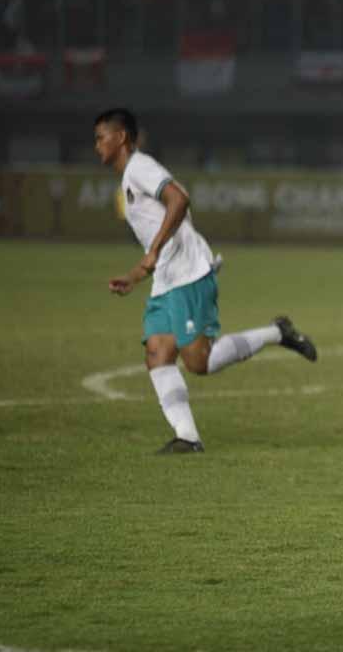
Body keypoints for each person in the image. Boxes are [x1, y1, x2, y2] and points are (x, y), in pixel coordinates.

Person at [94, 108, 318, 454]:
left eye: (100, 138)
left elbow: (179, 199)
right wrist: (136, 275)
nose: (97, 145)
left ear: (120, 137)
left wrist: (153, 252)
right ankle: (187, 437)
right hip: (166, 277)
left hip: (188, 272)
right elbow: (158, 233)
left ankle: (278, 332)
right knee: (157, 353)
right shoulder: (129, 178)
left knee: (199, 362)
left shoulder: (139, 167)